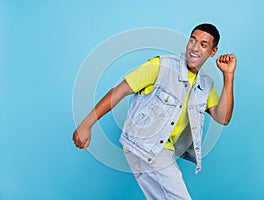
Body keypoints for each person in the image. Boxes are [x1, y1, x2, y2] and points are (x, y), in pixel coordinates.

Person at [73, 23, 236, 199]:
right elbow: (118, 92)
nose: (195, 48)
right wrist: (86, 125)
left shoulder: (205, 84)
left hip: (161, 150)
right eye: (192, 41)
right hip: (145, 146)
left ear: (213, 51)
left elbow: (223, 118)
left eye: (203, 45)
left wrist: (228, 76)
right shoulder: (161, 66)